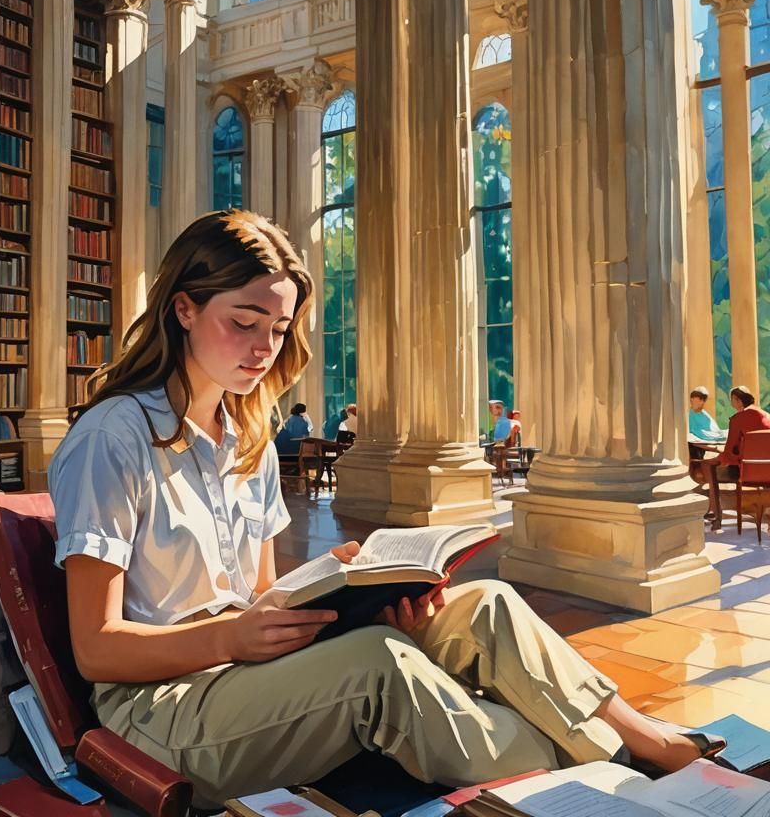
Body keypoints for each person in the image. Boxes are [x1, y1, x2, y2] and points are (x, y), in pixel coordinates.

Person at [48, 209, 716, 809]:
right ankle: (606, 780)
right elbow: (97, 651)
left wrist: (347, 587)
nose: (263, 349)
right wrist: (229, 639)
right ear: (185, 309)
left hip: (242, 675)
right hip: (162, 711)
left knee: (486, 607)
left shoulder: (247, 436)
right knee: (380, 664)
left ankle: (646, 743)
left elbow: (256, 601)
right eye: (244, 323)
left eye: (279, 331)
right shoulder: (115, 438)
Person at [697, 385, 770, 528]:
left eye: (732, 400)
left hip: (745, 472)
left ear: (737, 400)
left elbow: (729, 452)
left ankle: (715, 514)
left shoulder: (738, 418)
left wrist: (717, 457)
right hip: (767, 471)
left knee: (707, 466)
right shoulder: (767, 416)